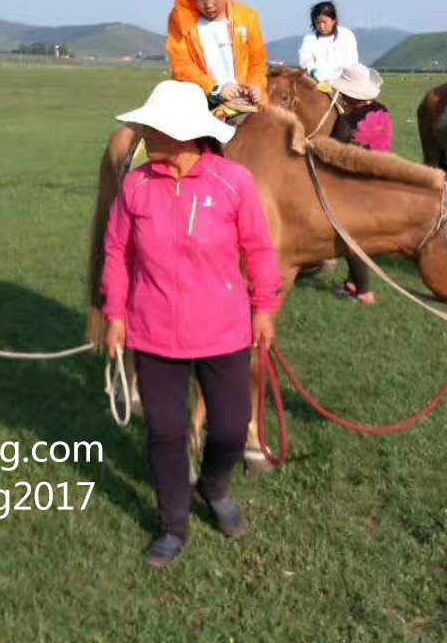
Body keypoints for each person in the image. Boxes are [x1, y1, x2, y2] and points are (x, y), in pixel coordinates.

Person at [100, 80, 282, 568]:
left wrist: (264, 307)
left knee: (227, 428)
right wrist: (114, 313)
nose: (144, 134)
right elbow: (117, 252)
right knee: (165, 431)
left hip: (223, 329)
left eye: (153, 128)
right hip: (154, 331)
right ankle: (172, 524)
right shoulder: (136, 186)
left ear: (183, 134)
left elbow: (259, 251)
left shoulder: (233, 182)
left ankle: (215, 486)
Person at [165, 0, 268, 111]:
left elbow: (257, 63)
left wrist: (255, 87)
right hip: (201, 101)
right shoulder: (180, 19)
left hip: (245, 102)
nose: (209, 5)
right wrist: (216, 89)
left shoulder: (248, 17)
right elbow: (181, 65)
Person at [327, 63, 392, 304]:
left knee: (349, 235)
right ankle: (352, 282)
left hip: (354, 182)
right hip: (379, 176)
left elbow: (333, 148)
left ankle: (364, 292)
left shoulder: (347, 118)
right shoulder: (382, 109)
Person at [297, 0, 359, 83]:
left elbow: (351, 61)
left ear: (333, 20)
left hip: (343, 81)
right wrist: (314, 73)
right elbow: (305, 60)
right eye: (318, 23)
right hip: (317, 82)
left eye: (324, 22)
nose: (321, 26)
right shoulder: (309, 40)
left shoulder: (346, 35)